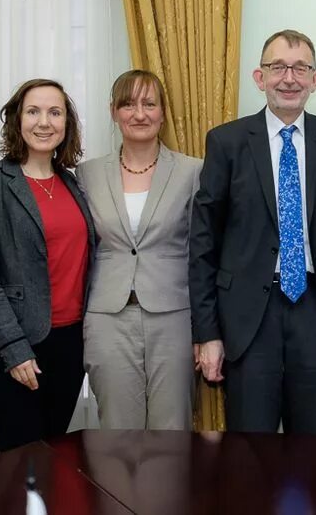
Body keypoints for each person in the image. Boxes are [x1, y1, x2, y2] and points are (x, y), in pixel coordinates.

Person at [189, 29, 316, 433]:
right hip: (247, 317)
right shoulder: (227, 142)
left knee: (315, 446)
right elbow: (203, 244)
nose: (289, 77)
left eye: (300, 67)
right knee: (249, 451)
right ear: (259, 76)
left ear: (315, 80)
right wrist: (208, 333)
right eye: (278, 67)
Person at [0, 78, 95, 451]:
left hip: (70, 346)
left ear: (66, 124)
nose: (44, 122)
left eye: (55, 112)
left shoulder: (73, 185)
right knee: (22, 466)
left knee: (55, 460)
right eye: (33, 111)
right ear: (17, 120)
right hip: (15, 348)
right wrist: (14, 349)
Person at [76, 70, 202, 430]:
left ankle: (168, 491)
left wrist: (205, 330)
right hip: (107, 317)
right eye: (128, 104)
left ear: (163, 113)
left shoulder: (193, 171)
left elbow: (202, 253)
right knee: (116, 432)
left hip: (174, 316)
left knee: (172, 431)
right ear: (113, 111)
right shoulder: (86, 174)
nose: (139, 114)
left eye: (149, 104)